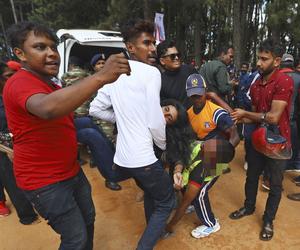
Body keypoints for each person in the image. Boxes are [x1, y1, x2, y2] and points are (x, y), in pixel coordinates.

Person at [3, 21, 130, 250]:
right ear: (20, 54)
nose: (52, 54)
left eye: (53, 47)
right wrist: (100, 76)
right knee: (75, 238)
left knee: (88, 221)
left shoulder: (50, 84)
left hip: (70, 171)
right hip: (45, 182)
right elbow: (47, 109)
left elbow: (59, 118)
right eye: (40, 47)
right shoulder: (19, 82)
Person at [89, 19, 175, 250]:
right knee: (168, 201)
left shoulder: (113, 73)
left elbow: (95, 109)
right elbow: (156, 121)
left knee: (150, 191)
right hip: (144, 157)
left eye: (153, 43)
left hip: (124, 159)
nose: (153, 48)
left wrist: (124, 119)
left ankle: (153, 228)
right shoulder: (151, 72)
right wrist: (164, 145)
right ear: (130, 47)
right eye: (146, 43)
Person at [229, 38, 293, 241]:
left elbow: (273, 117)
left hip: (278, 141)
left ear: (277, 61)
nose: (259, 62)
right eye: (259, 58)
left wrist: (245, 113)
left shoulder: (284, 81)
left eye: (264, 59)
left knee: (275, 184)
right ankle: (248, 207)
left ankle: (268, 220)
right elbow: (257, 112)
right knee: (251, 176)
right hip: (257, 139)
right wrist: (237, 119)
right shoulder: (256, 83)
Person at [164, 74, 239, 239]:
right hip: (199, 151)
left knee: (199, 191)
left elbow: (235, 135)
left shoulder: (216, 112)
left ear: (205, 91)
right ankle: (191, 203)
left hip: (216, 154)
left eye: (199, 94)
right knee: (185, 182)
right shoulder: (190, 112)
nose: (196, 98)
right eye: (193, 95)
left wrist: (222, 155)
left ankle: (212, 224)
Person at [0, 61, 39, 224]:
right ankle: (27, 216)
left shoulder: (18, 92)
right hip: (4, 148)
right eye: (9, 76)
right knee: (10, 178)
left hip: (21, 143)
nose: (14, 79)